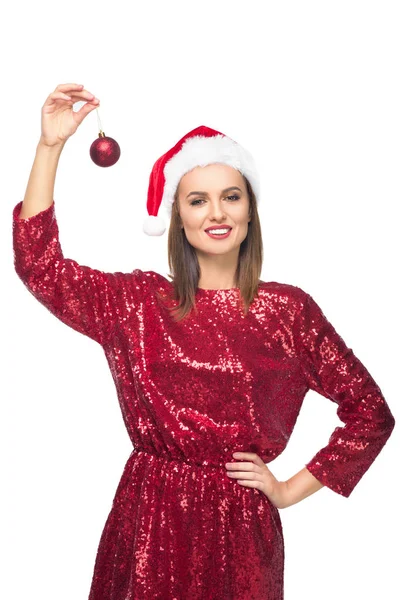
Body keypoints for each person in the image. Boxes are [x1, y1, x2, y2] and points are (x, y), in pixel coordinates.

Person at [13, 82, 395, 600]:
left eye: (230, 197)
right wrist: (50, 146)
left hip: (240, 528)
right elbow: (41, 266)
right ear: (179, 217)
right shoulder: (138, 304)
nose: (216, 213)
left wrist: (286, 491)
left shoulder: (288, 312)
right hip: (149, 516)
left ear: (249, 210)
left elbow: (371, 413)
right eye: (198, 200)